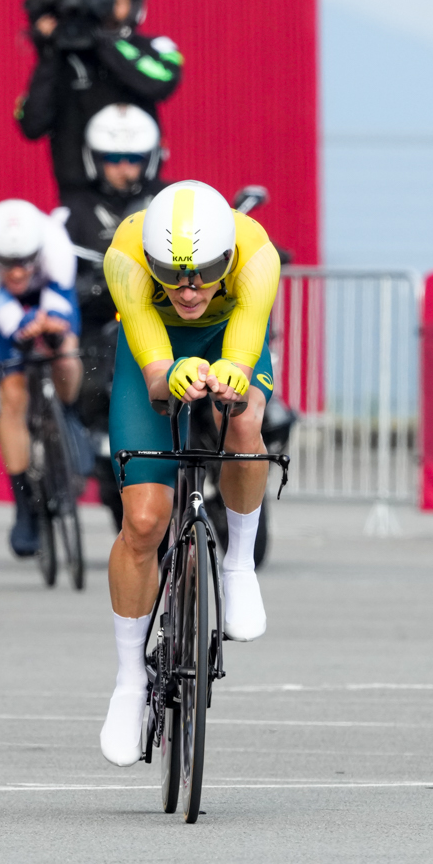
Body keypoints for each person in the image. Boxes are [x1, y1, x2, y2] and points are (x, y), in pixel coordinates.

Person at [95, 180, 280, 766]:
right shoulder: (124, 257)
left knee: (245, 417)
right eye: (172, 274)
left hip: (231, 342)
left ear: (227, 257)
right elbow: (153, 376)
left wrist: (233, 374)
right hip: (151, 349)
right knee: (145, 522)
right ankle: (129, 682)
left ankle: (239, 562)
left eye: (204, 271)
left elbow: (245, 353)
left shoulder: (257, 256)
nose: (190, 288)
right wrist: (166, 374)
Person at [60, 104, 168, 528]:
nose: (123, 167)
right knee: (88, 375)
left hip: (165, 318)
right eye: (112, 158)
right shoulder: (75, 211)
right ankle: (98, 447)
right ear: (94, 159)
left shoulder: (171, 199)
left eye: (133, 158)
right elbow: (57, 270)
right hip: (104, 325)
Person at [0, 199, 83, 558]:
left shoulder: (57, 244)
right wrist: (27, 327)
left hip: (47, 288)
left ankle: (68, 411)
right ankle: (24, 507)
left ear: (38, 251)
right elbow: (7, 320)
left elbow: (61, 302)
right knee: (12, 394)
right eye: (7, 264)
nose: (15, 273)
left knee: (66, 351)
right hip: (0, 306)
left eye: (23, 263)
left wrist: (54, 330)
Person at [16, 0, 183, 195]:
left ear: (137, 3)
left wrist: (102, 39)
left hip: (143, 196)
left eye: (118, 0)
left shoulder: (155, 48)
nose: (106, 8)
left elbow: (161, 81)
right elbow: (31, 123)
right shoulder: (66, 56)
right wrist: (49, 51)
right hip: (79, 201)